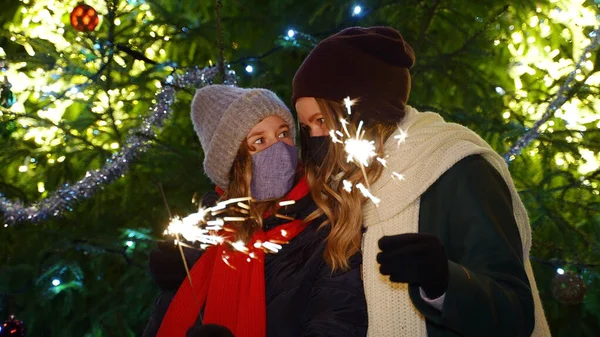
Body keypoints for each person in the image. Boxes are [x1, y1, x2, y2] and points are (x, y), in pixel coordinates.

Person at [292, 26, 551, 337]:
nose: (316, 138)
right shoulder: (348, 187)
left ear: (361, 112)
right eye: (307, 127)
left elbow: (515, 314)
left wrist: (442, 281)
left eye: (321, 121)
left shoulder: (458, 169)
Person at [142, 85, 368, 337]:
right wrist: (176, 281)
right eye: (259, 140)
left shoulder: (327, 226)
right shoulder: (205, 243)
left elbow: (337, 322)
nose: (279, 147)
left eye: (283, 133)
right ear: (235, 164)